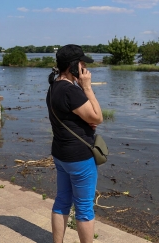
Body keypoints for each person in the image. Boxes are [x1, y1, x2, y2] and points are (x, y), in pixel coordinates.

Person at [46, 44, 104, 243]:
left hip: (61, 154)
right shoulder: (73, 91)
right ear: (73, 66)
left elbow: (72, 117)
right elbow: (97, 117)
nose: (85, 68)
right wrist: (87, 87)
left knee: (62, 200)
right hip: (80, 157)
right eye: (81, 64)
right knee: (84, 207)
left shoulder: (53, 86)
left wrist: (86, 122)